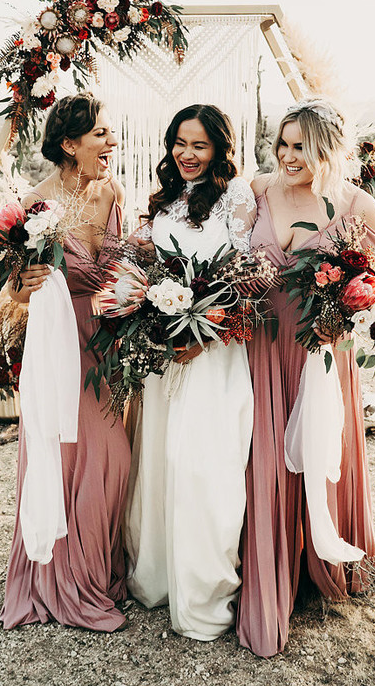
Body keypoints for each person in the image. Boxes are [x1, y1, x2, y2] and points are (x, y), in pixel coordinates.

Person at [237, 98, 375, 657]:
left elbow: (373, 293)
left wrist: (343, 313)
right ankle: (276, 570)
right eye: (283, 143)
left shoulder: (356, 205)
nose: (288, 155)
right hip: (266, 347)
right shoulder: (258, 191)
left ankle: (321, 562)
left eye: (301, 145)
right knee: (269, 458)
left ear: (327, 148)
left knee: (322, 453)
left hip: (322, 354)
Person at [124, 104, 257, 641]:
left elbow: (247, 282)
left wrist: (205, 338)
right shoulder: (165, 199)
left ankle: (202, 591)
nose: (187, 154)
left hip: (213, 353)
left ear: (220, 149)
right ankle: (156, 577)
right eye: (180, 142)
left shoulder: (237, 198)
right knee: (158, 459)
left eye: (199, 145)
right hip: (165, 356)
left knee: (201, 464)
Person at [0, 93, 131, 632]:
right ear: (69, 145)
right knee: (64, 455)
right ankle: (59, 578)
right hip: (58, 344)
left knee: (112, 460)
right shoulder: (35, 205)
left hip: (104, 340)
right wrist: (24, 286)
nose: (111, 141)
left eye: (109, 132)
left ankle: (94, 570)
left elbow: (122, 267)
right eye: (100, 134)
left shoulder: (111, 192)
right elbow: (14, 287)